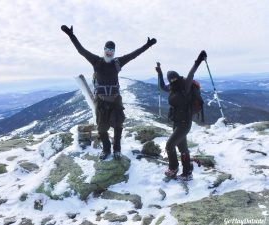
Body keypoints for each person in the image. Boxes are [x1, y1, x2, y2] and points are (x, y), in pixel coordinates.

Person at [61, 25, 157, 160]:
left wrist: (147, 45)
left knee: (118, 125)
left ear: (114, 51)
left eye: (112, 50)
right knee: (102, 128)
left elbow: (134, 55)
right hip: (101, 100)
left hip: (116, 98)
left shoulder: (118, 63)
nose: (109, 52)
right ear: (104, 50)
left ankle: (117, 149)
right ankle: (106, 149)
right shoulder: (96, 61)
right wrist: (71, 35)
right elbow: (81, 50)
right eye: (107, 49)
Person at [155, 50, 207, 181]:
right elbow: (162, 86)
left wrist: (199, 60)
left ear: (178, 77)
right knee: (182, 148)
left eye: (174, 78)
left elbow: (192, 73)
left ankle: (173, 168)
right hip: (176, 122)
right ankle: (187, 172)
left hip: (185, 123)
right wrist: (160, 73)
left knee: (169, 145)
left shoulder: (185, 85)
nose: (172, 80)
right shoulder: (172, 87)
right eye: (170, 79)